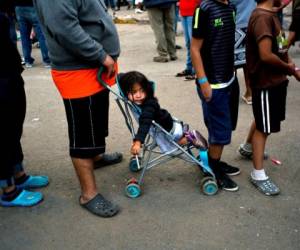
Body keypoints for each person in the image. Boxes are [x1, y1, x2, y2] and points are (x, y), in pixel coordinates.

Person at [33, 0, 123, 217]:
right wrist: (101, 55)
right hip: (78, 70)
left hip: (92, 66)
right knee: (83, 132)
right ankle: (88, 194)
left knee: (96, 122)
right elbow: (64, 28)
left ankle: (96, 157)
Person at [242, 0, 300, 195]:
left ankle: (247, 147)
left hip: (275, 81)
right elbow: (266, 55)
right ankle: (258, 174)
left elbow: (282, 48)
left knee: (262, 118)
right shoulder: (262, 18)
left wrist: (293, 68)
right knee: (263, 128)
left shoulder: (271, 14)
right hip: (266, 81)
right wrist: (289, 69)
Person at [191, 0, 241, 192]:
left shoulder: (230, 7)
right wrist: (203, 82)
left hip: (229, 79)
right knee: (220, 131)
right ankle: (212, 169)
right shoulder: (204, 9)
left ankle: (215, 161)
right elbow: (195, 48)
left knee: (225, 127)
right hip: (213, 84)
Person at [0, 10, 49, 207]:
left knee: (13, 128)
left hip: (8, 73)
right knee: (2, 134)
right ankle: (8, 191)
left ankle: (19, 175)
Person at [119, 71, 206, 155]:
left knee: (173, 147)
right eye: (134, 92)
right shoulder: (140, 101)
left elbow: (145, 122)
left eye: (142, 91)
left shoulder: (149, 105)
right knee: (173, 144)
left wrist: (138, 142)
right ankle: (186, 136)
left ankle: (190, 138)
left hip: (169, 130)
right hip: (165, 123)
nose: (139, 95)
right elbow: (120, 76)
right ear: (126, 92)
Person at [231, 0, 256, 105]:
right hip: (253, 23)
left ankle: (231, 94)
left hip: (236, 24)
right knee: (248, 61)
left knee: (231, 63)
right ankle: (250, 93)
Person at [14, 0, 50, 68]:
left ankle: (27, 61)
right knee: (41, 35)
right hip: (32, 6)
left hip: (19, 7)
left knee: (24, 36)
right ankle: (47, 60)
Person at [176, 0, 200, 81]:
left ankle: (196, 70)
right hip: (183, 12)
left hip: (192, 12)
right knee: (188, 43)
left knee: (194, 43)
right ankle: (189, 68)